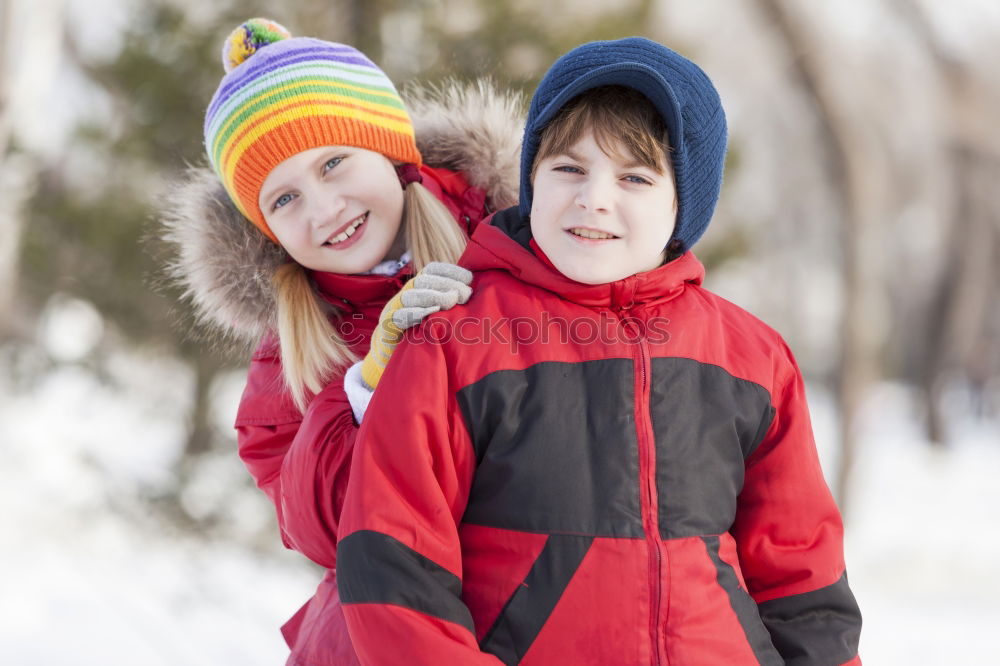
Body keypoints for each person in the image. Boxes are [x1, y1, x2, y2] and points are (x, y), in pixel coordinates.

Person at [335, 37, 863, 665]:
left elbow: (802, 574)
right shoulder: (457, 342)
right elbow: (392, 564)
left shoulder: (751, 359)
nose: (594, 198)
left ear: (682, 206)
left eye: (635, 177)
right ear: (531, 179)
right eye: (568, 168)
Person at [160, 18, 521, 665]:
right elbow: (328, 528)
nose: (325, 209)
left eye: (333, 163)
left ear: (388, 150)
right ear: (266, 228)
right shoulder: (289, 360)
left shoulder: (516, 250)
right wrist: (369, 386)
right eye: (285, 199)